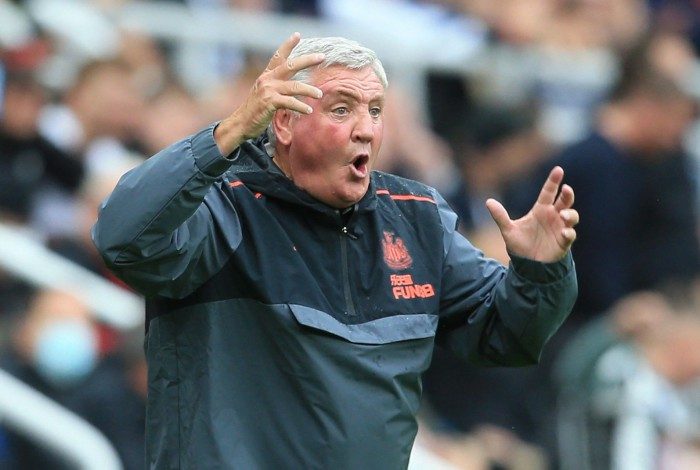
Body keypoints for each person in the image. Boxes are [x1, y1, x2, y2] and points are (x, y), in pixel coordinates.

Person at [93, 34, 578, 469]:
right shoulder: (221, 208)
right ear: (284, 122)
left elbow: (505, 335)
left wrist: (541, 269)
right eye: (342, 110)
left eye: (375, 110)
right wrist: (229, 131)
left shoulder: (418, 219)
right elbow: (123, 239)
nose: (365, 129)